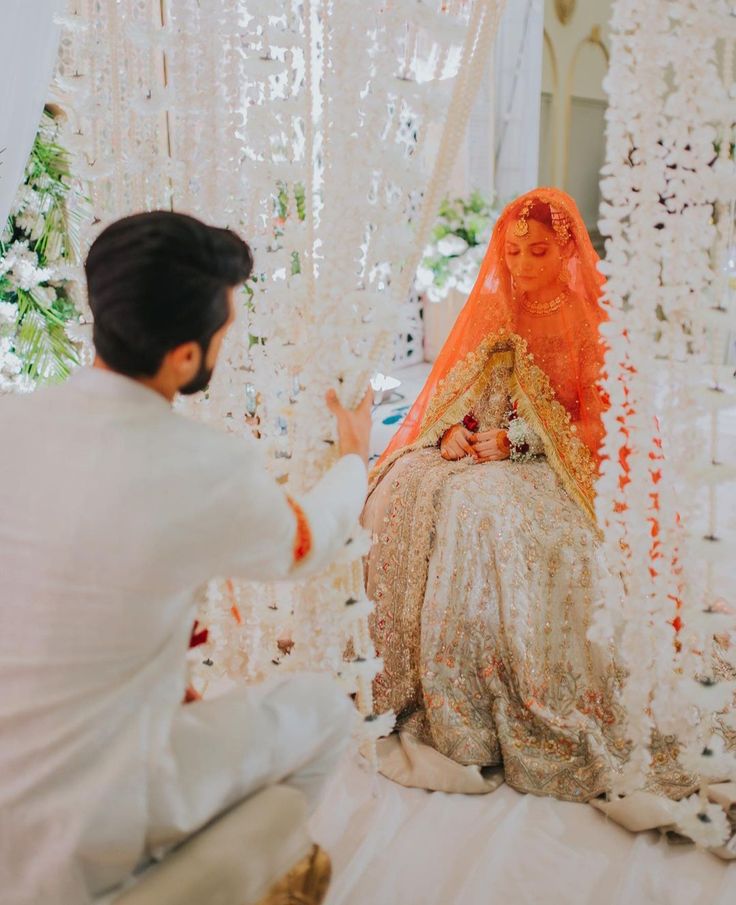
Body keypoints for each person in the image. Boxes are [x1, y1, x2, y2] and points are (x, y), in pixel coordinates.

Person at [0, 211, 372, 904]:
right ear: (185, 357)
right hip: (95, 806)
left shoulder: (10, 423)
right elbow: (309, 541)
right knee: (323, 709)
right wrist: (354, 456)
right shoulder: (204, 465)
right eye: (223, 335)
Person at [363, 188, 637, 799]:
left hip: (553, 466)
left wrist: (517, 442)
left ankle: (477, 690)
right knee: (405, 479)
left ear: (565, 249)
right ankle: (391, 672)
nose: (519, 265)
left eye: (536, 251)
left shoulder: (588, 321)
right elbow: (457, 388)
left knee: (476, 510)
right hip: (487, 447)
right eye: (510, 251)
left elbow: (600, 424)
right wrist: (457, 433)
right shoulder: (498, 309)